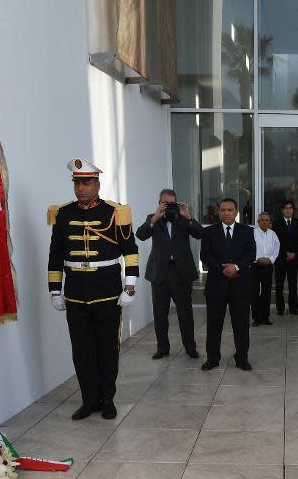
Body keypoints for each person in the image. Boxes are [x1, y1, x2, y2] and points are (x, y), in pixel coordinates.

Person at [47, 158, 139, 420]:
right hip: (75, 293)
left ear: (97, 184)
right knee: (82, 350)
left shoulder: (115, 212)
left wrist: (129, 286)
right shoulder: (63, 214)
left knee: (108, 349)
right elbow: (55, 255)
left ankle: (107, 399)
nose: (81, 188)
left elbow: (130, 251)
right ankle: (89, 400)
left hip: (107, 291)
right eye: (77, 183)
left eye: (86, 183)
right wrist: (55, 289)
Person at [136, 189, 202, 360]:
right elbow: (141, 235)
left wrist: (189, 217)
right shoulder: (153, 217)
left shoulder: (183, 218)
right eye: (165, 203)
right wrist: (154, 219)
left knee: (185, 313)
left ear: (177, 202)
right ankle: (162, 348)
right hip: (159, 272)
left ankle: (190, 347)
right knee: (159, 313)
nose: (169, 206)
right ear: (159, 203)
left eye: (172, 203)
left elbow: (200, 234)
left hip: (181, 272)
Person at [200, 198, 256, 371]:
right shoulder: (209, 232)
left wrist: (236, 267)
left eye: (230, 210)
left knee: (241, 326)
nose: (226, 213)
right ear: (219, 212)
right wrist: (222, 269)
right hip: (216, 285)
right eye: (223, 210)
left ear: (236, 212)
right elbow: (205, 255)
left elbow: (251, 253)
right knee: (214, 324)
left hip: (240, 286)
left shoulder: (246, 231)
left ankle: (241, 358)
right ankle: (213, 358)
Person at [272, 200, 298, 315]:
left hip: (293, 259)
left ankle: (293, 308)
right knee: (279, 285)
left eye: (290, 208)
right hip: (281, 258)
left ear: (293, 210)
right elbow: (276, 242)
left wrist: (294, 253)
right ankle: (280, 309)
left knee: (292, 284)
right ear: (282, 210)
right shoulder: (276, 223)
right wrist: (286, 253)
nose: (288, 210)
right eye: (286, 208)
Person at [251, 212, 280, 327]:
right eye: (262, 220)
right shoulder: (252, 233)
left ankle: (265, 317)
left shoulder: (273, 234)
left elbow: (277, 248)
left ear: (269, 222)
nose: (264, 222)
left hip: (268, 266)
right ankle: (256, 318)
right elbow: (249, 249)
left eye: (267, 220)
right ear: (258, 222)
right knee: (254, 293)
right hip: (255, 266)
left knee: (266, 292)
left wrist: (271, 260)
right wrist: (257, 259)